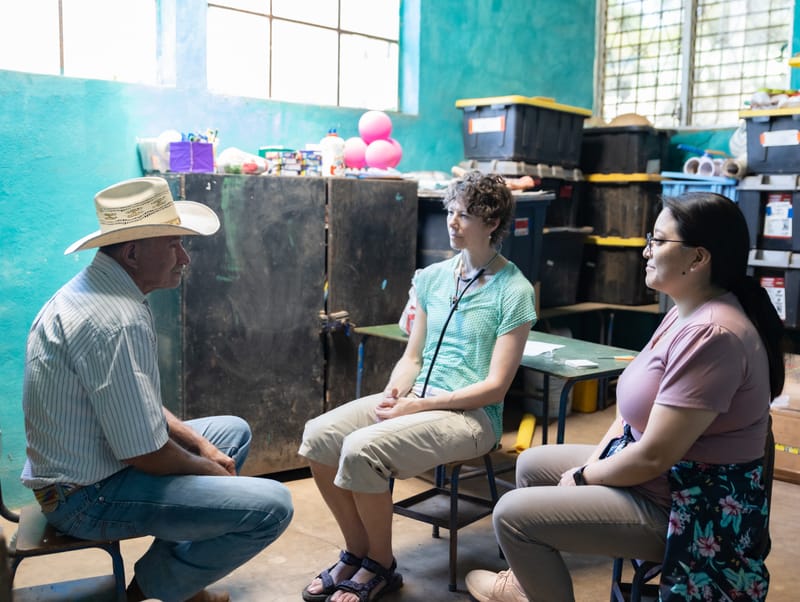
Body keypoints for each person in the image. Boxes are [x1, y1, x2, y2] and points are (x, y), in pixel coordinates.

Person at [465, 191, 784, 602]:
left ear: (698, 258)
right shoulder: (684, 309)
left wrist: (583, 476)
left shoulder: (713, 334)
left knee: (511, 516)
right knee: (531, 463)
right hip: (661, 477)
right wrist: (595, 464)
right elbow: (628, 419)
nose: (646, 251)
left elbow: (654, 456)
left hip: (688, 506)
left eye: (658, 241)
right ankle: (525, 584)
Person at [21, 177, 294, 602]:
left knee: (230, 432)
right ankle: (151, 591)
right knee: (272, 506)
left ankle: (178, 582)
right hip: (85, 499)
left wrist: (203, 447)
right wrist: (209, 470)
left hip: (94, 468)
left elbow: (137, 401)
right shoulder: (113, 320)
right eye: (173, 245)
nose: (184, 257)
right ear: (132, 252)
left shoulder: (101, 291)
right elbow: (144, 453)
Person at [298, 171, 537, 602]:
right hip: (419, 399)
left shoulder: (514, 291)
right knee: (318, 436)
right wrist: (396, 391)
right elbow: (412, 356)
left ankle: (380, 565)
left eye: (464, 214)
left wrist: (418, 407)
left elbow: (496, 388)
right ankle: (357, 550)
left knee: (361, 449)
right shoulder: (432, 278)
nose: (452, 221)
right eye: (450, 210)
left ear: (493, 221)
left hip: (472, 417)